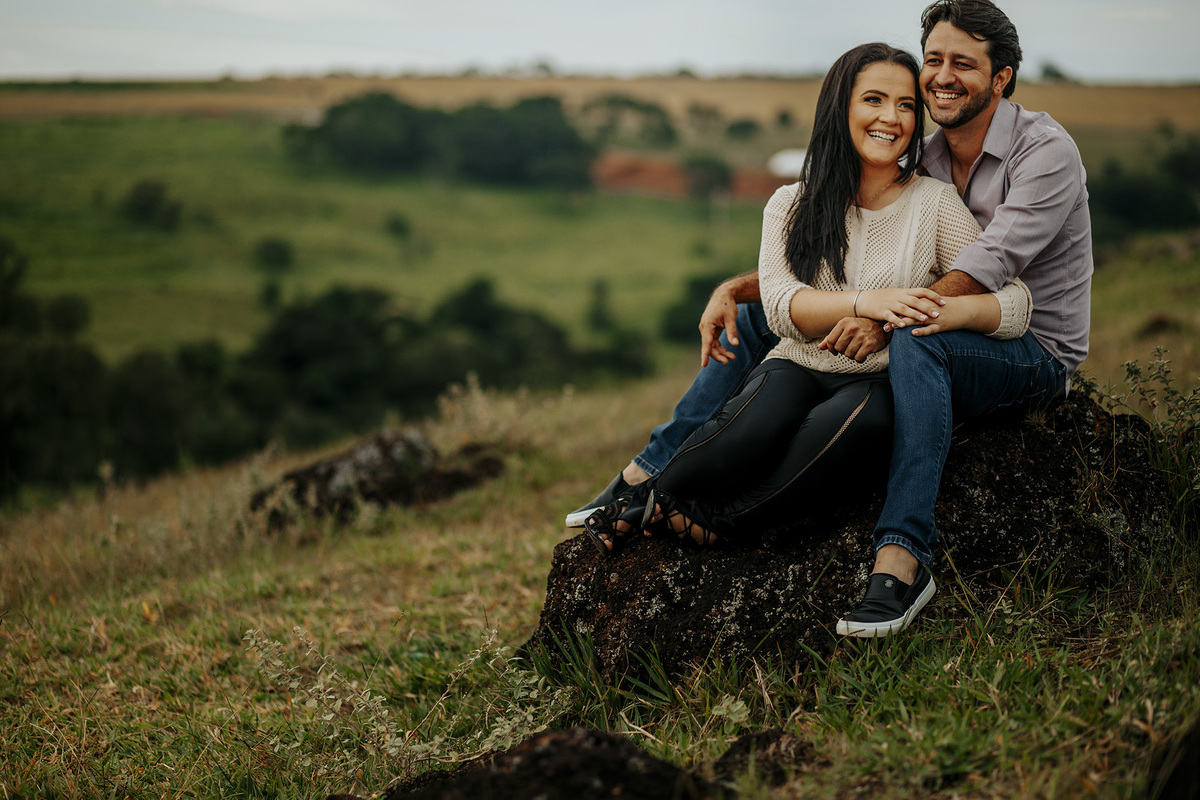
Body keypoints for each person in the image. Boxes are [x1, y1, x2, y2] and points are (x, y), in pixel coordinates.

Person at [569, 0, 1093, 639]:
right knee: (762, 320)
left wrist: (885, 318)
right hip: (896, 331)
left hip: (1028, 348)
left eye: (964, 63)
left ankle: (902, 558)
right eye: (934, 60)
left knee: (912, 345)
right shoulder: (920, 158)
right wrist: (740, 288)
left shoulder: (1040, 152)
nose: (940, 79)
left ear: (1001, 77)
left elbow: (991, 266)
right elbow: (828, 273)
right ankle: (645, 477)